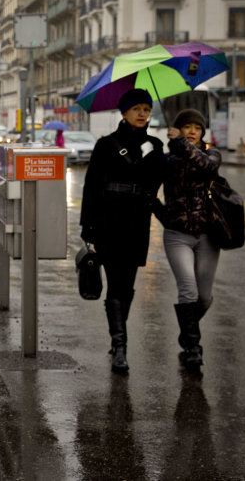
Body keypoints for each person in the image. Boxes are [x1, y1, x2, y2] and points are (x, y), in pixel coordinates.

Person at [80, 88, 165, 373]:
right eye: (137, 109)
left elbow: (156, 182)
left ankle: (118, 339)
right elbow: (91, 186)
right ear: (124, 112)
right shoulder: (107, 144)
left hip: (137, 223)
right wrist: (87, 226)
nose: (142, 114)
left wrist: (170, 149)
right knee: (116, 282)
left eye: (146, 109)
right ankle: (120, 346)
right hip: (108, 222)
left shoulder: (155, 145)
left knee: (126, 285)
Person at [161, 108, 222, 371]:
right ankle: (193, 349)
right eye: (187, 127)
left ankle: (186, 333)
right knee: (188, 290)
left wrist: (181, 143)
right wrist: (165, 217)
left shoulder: (211, 154)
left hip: (208, 236)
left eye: (197, 127)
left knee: (204, 298)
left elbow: (206, 166)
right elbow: (149, 190)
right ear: (179, 129)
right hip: (177, 236)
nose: (193, 131)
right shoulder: (168, 160)